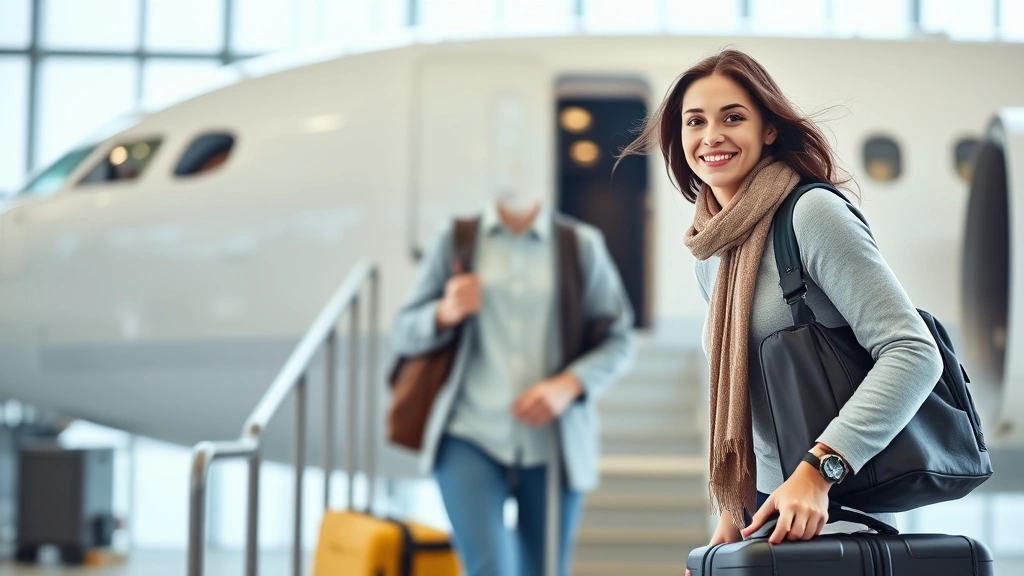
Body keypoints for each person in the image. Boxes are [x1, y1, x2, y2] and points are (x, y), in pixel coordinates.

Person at [618, 49, 943, 560]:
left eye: (733, 117)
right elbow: (741, 386)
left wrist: (820, 471)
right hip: (761, 517)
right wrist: (732, 513)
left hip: (835, 508)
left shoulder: (811, 214)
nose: (711, 136)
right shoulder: (714, 252)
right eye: (694, 121)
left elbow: (913, 351)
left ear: (769, 129)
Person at [391, 186, 636, 576]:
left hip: (554, 442)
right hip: (467, 433)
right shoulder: (455, 240)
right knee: (488, 568)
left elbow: (620, 339)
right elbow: (402, 333)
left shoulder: (581, 244)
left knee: (544, 570)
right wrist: (444, 311)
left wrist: (568, 385)